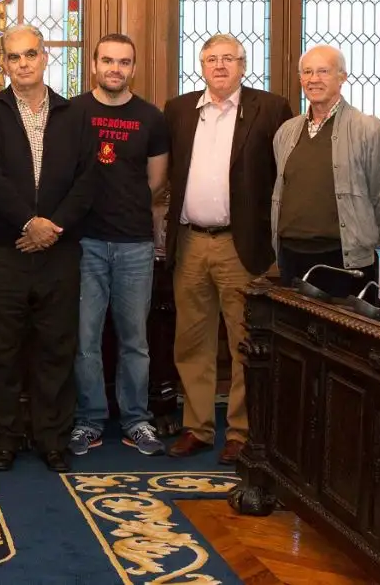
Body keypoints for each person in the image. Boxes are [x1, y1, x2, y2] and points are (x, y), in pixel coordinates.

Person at [0, 24, 97, 473]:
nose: (23, 64)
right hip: (4, 250)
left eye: (30, 55)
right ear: (2, 63)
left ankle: (52, 439)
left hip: (59, 251)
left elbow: (88, 180)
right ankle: (3, 438)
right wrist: (28, 222)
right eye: (13, 57)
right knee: (0, 350)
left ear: (45, 58)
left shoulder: (74, 113)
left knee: (56, 348)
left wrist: (53, 226)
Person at [162, 33, 292, 465]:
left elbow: (284, 180)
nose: (220, 66)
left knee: (244, 343)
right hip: (191, 243)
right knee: (192, 341)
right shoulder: (179, 109)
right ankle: (196, 427)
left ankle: (240, 432)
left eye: (228, 59)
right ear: (201, 65)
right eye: (211, 59)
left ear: (243, 64)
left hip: (243, 246)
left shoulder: (270, 108)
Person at [68, 33, 170, 458]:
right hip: (84, 241)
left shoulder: (151, 117)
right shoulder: (72, 112)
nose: (115, 68)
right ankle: (89, 420)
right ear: (94, 64)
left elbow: (156, 180)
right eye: (107, 60)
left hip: (134, 245)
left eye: (124, 62)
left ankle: (136, 420)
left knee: (135, 340)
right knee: (85, 339)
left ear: (133, 67)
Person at [272, 44, 380, 296]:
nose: (313, 79)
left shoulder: (368, 130)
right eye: (307, 72)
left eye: (323, 71)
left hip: (345, 261)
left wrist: (366, 242)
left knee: (345, 335)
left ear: (342, 77)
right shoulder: (286, 131)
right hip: (291, 257)